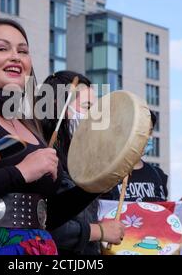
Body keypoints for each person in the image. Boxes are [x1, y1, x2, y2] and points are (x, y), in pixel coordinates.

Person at [0, 18, 99, 255]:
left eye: (23, 51)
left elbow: (47, 215)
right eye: (2, 48)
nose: (16, 56)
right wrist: (20, 172)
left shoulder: (28, 122)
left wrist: (94, 186)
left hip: (38, 247)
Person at [40, 71, 125, 255]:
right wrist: (100, 231)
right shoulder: (43, 155)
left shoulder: (84, 157)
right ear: (57, 106)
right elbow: (42, 223)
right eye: (87, 107)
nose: (93, 116)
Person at [102, 111, 169, 202]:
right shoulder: (106, 175)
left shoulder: (158, 175)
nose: (148, 137)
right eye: (141, 131)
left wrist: (180, 205)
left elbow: (162, 211)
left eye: (150, 131)